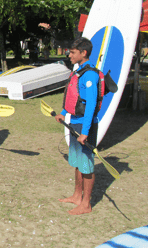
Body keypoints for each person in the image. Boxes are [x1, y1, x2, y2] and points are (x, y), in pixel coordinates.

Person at [55, 37, 100, 215]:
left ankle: (86, 204)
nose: (69, 54)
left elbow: (90, 106)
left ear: (84, 53)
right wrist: (63, 113)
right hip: (74, 122)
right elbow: (74, 98)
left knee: (86, 165)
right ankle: (76, 195)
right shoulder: (78, 72)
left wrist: (85, 132)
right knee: (77, 163)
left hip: (84, 127)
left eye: (73, 52)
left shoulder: (90, 75)